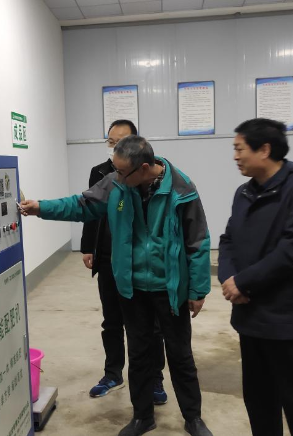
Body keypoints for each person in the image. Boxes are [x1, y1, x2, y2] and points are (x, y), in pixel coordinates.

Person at [20, 136, 213, 436]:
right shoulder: (117, 184)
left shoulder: (181, 188)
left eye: (122, 172)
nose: (116, 177)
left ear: (144, 168)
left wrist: (198, 290)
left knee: (180, 355)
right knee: (138, 354)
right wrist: (40, 208)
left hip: (169, 288)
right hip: (132, 287)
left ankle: (193, 418)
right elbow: (81, 205)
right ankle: (142, 417)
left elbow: (198, 241)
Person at [218, 118, 293, 436]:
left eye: (240, 149)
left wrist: (243, 283)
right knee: (259, 401)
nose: (235, 156)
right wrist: (229, 279)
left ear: (264, 150)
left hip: (284, 321)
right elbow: (228, 239)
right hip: (249, 317)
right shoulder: (244, 192)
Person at [81, 120, 167, 404]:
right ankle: (113, 373)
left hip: (139, 259)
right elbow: (89, 208)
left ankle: (155, 378)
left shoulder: (147, 172)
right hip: (108, 256)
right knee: (112, 321)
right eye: (111, 141)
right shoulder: (100, 172)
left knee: (150, 325)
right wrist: (87, 247)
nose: (115, 146)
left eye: (121, 141)